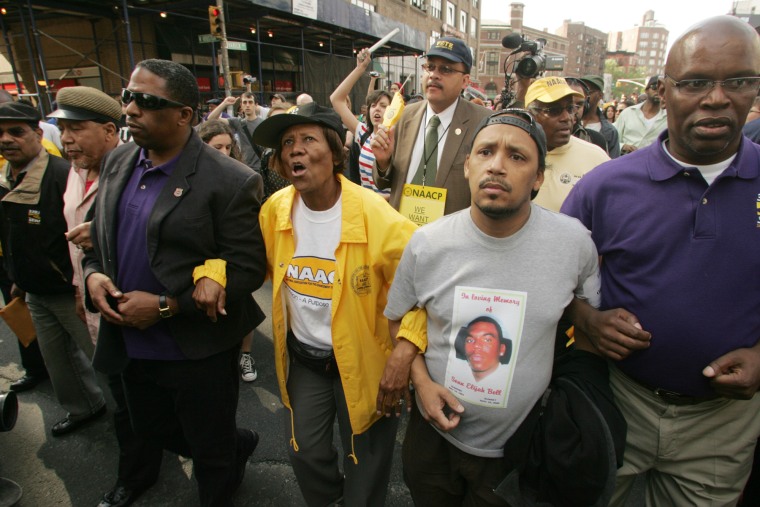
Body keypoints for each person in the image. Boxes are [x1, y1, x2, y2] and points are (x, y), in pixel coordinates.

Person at [561, 16, 760, 506]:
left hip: (722, 426)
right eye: (695, 83)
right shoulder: (606, 186)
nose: (716, 98)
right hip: (617, 403)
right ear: (664, 91)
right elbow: (548, 273)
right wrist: (586, 318)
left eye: (737, 81)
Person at [384, 109, 601, 505]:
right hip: (432, 440)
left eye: (517, 157)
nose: (497, 166)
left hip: (519, 449)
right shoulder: (428, 243)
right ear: (468, 166)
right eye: (485, 152)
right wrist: (421, 383)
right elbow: (397, 317)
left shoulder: (573, 245)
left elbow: (586, 317)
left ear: (538, 178)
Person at [83, 59, 266, 507]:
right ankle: (234, 443)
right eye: (128, 96)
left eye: (147, 101)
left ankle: (221, 476)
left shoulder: (231, 180)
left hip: (194, 348)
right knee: (149, 428)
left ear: (184, 114)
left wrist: (166, 306)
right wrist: (92, 275)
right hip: (128, 339)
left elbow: (246, 267)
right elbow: (99, 236)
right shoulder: (119, 161)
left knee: (210, 452)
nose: (130, 109)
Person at [253, 102, 419, 506]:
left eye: (308, 139)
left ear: (334, 152)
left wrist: (404, 354)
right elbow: (251, 264)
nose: (295, 150)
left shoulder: (377, 215)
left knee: (366, 458)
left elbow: (422, 289)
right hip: (306, 361)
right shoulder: (274, 211)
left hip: (365, 363)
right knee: (304, 450)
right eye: (287, 143)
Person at [49, 85, 165, 507]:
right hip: (94, 303)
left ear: (110, 131)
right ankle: (142, 464)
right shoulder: (74, 175)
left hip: (139, 312)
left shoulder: (139, 175)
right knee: (123, 399)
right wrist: (81, 288)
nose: (67, 140)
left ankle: (139, 474)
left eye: (77, 129)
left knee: (141, 401)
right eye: (63, 129)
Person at [0, 100, 107, 437]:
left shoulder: (62, 174)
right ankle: (83, 408)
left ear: (35, 133)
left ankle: (137, 427)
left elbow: (79, 236)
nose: (6, 140)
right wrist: (19, 278)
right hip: (34, 290)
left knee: (103, 361)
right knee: (57, 361)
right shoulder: (7, 175)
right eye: (0, 133)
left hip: (69, 290)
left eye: (16, 132)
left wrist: (79, 287)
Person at [371, 37, 491, 218]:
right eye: (430, 67)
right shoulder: (404, 116)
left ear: (465, 81)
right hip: (404, 234)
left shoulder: (483, 123)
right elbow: (383, 182)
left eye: (446, 69)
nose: (434, 75)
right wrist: (383, 162)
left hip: (451, 236)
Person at [197, 119, 259, 383]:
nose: (223, 153)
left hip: (232, 256)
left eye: (227, 147)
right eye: (216, 147)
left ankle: (245, 355)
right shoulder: (192, 176)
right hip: (203, 256)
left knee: (242, 306)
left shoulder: (241, 175)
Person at [525, 77, 610, 212]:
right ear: (530, 114)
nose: (567, 118)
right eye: (554, 110)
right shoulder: (512, 154)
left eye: (570, 109)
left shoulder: (596, 158)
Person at [330, 47, 392, 197]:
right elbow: (336, 99)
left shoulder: (401, 141)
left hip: (388, 212)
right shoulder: (364, 133)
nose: (377, 109)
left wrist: (375, 200)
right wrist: (360, 68)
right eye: (373, 105)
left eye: (383, 106)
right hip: (365, 209)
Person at [206, 92, 264, 171]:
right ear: (241, 105)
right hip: (245, 167)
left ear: (256, 105)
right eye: (244, 102)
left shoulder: (263, 123)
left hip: (262, 167)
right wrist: (225, 103)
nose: (247, 105)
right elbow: (211, 119)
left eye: (250, 102)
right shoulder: (238, 122)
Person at [615, 75, 667, 154]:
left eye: (663, 90)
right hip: (626, 161)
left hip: (653, 163)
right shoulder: (628, 113)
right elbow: (613, 140)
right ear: (646, 90)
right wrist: (623, 146)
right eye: (655, 87)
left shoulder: (669, 118)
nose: (658, 92)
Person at [454, 316, 512, 384]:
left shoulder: (510, 380)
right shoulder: (457, 371)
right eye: (470, 340)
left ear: (502, 349)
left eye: (487, 340)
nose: (476, 345)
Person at [579, 75, 621, 159]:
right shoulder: (567, 121)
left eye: (588, 91)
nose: (583, 95)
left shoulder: (610, 131)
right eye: (581, 90)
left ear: (600, 95)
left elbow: (612, 163)